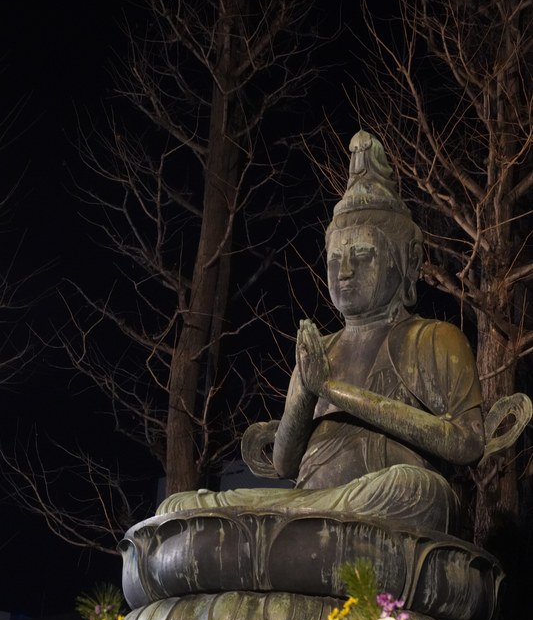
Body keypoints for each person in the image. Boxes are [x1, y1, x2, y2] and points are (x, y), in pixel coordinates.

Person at [157, 132, 485, 534]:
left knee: (417, 489)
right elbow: (284, 464)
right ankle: (296, 528)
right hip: (309, 503)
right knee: (181, 508)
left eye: (362, 255)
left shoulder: (433, 339)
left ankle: (297, 529)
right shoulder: (320, 350)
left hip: (385, 502)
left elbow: (468, 443)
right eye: (334, 258)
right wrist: (305, 390)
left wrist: (331, 388)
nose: (344, 271)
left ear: (406, 262)